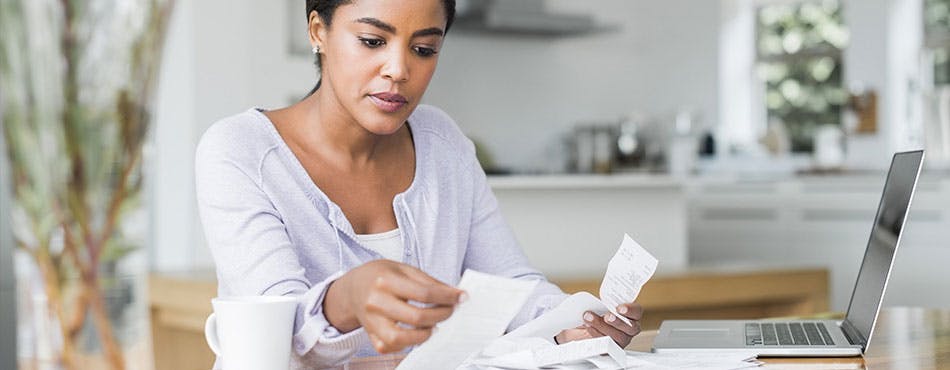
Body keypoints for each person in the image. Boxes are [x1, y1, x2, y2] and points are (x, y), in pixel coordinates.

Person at [195, 0, 643, 368]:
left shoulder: (441, 141)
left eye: (424, 49)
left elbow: (512, 283)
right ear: (318, 31)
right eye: (372, 41)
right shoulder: (240, 151)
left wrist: (577, 323)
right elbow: (276, 332)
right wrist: (346, 298)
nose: (399, 69)